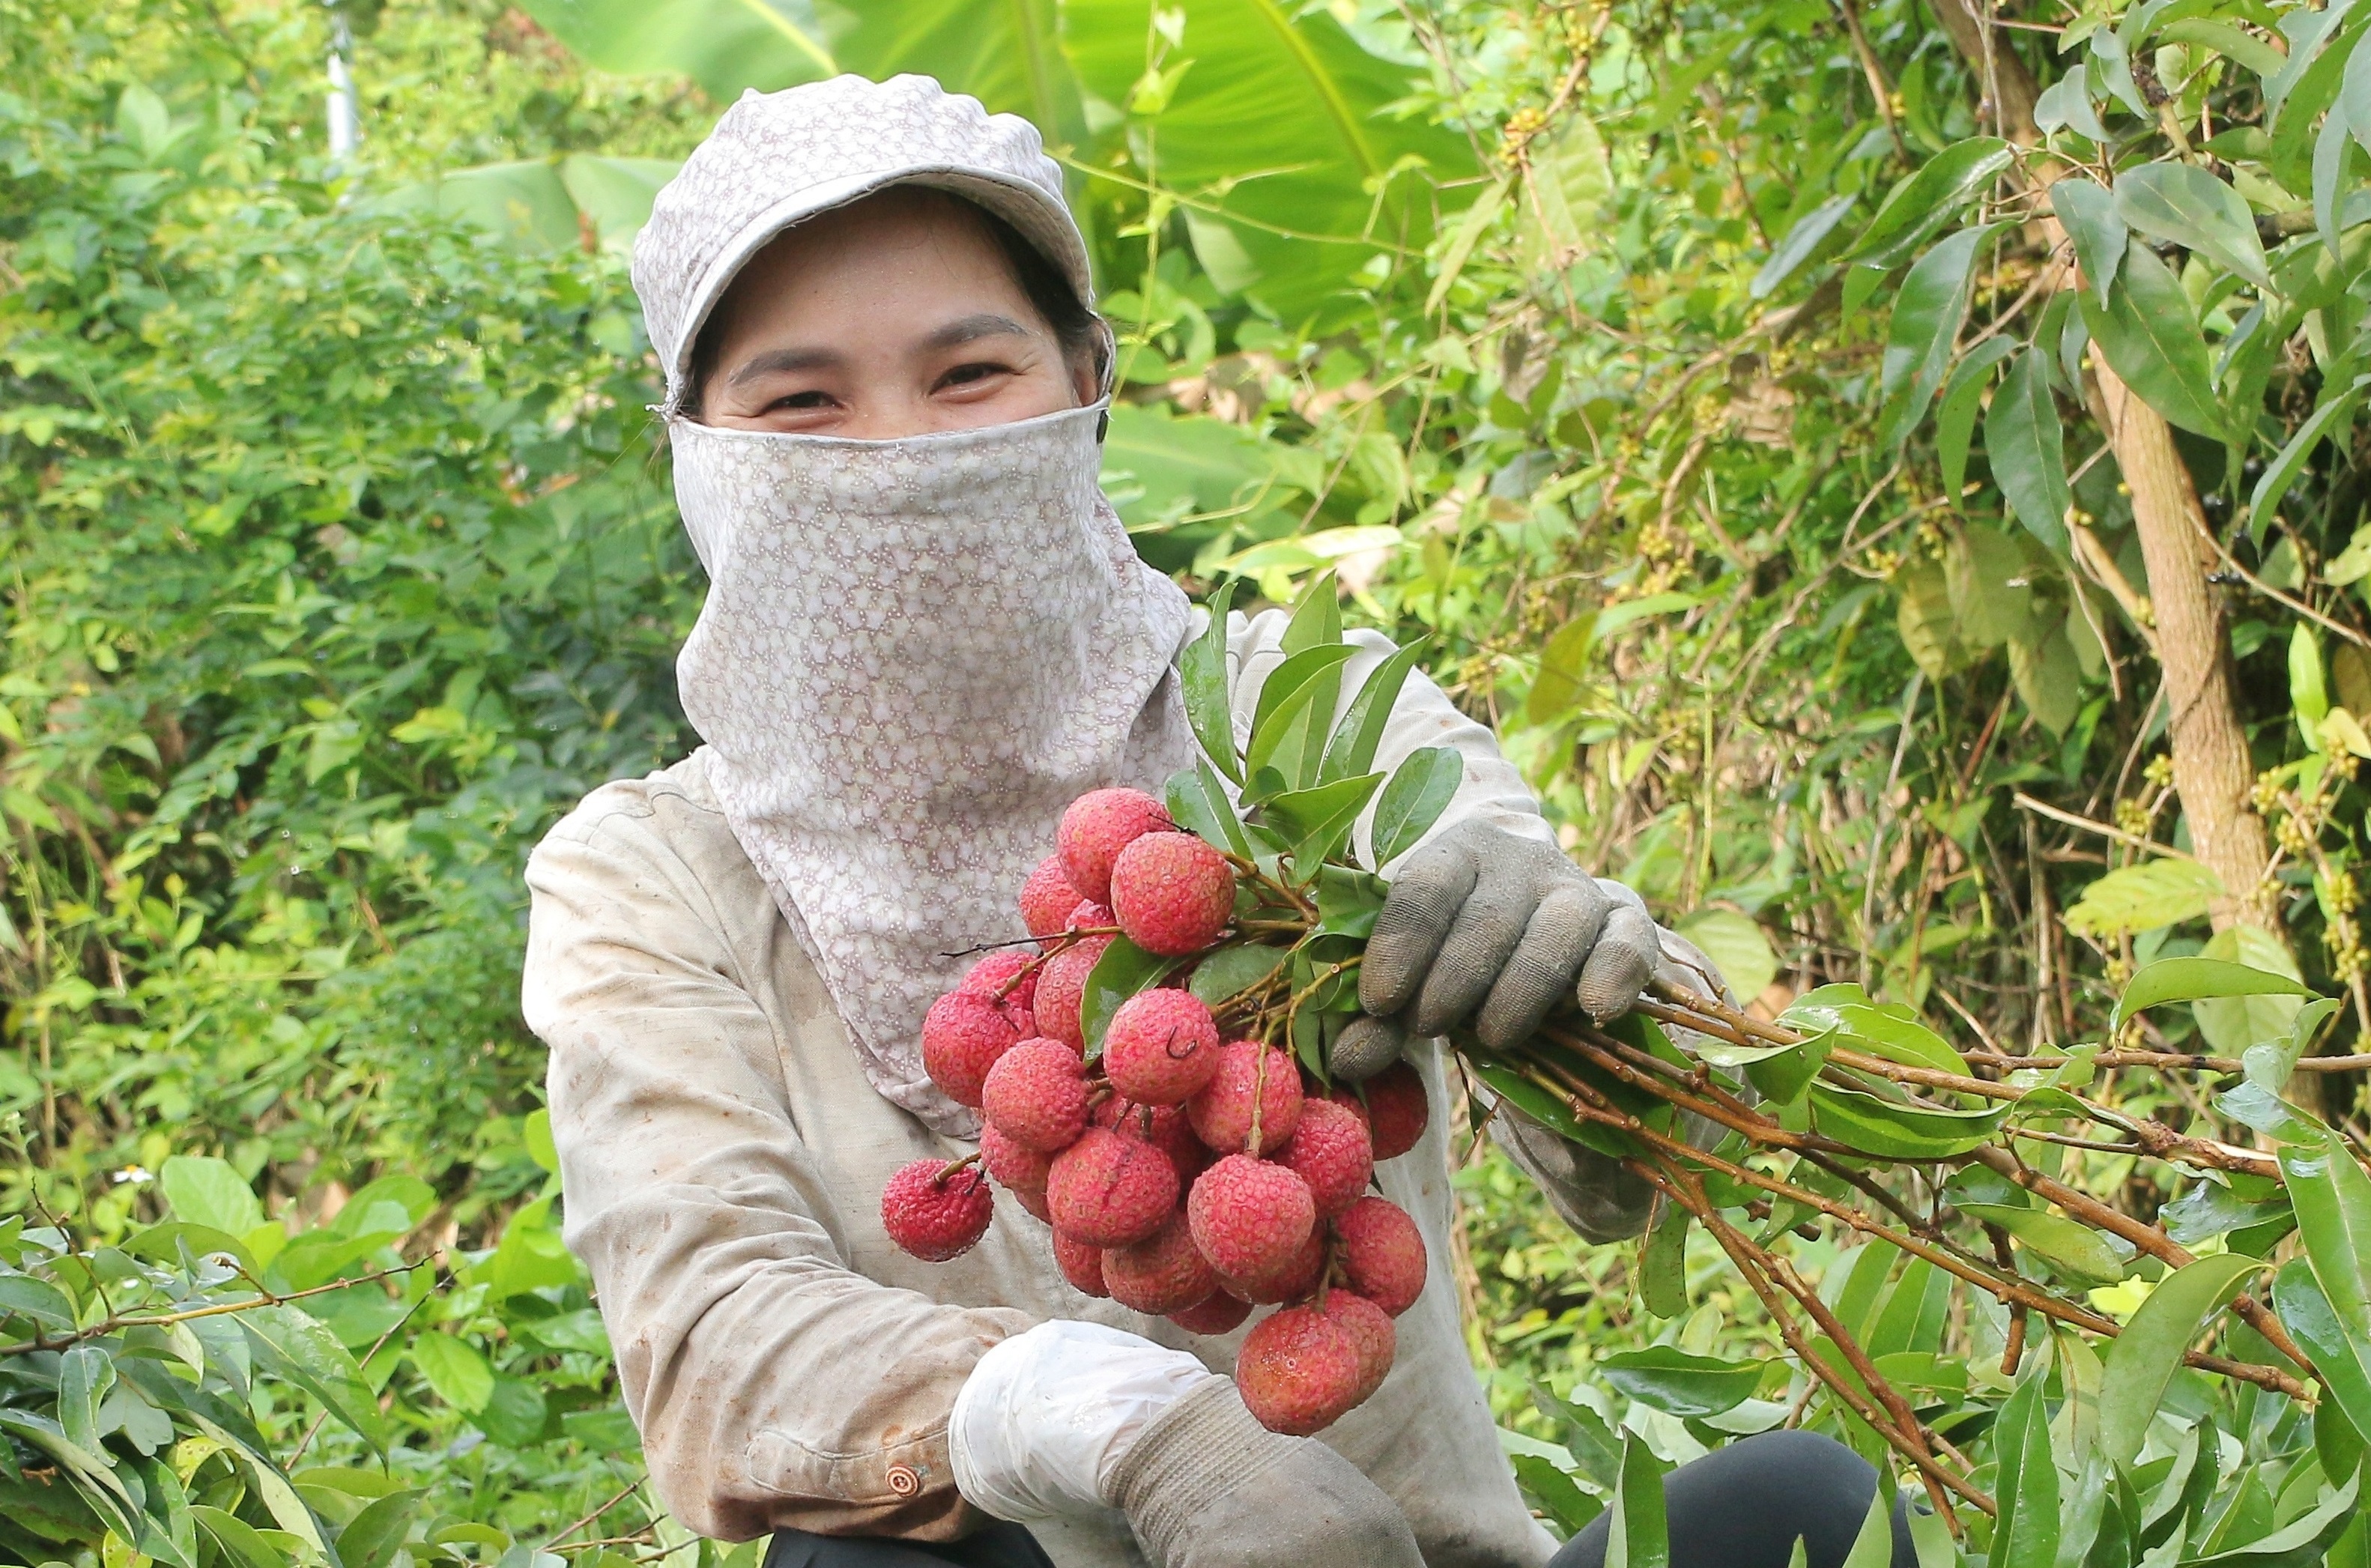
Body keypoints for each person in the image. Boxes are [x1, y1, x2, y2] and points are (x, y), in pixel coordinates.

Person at [521, 73, 1912, 1568]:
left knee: (1798, 1517)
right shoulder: (649, 876)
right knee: (860, 1558)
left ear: (1085, 383)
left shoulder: (1289, 714)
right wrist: (1130, 1435)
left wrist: (1574, 992)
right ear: (700, 450)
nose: (894, 448)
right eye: (803, 401)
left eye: (968, 374)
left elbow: (1630, 1168)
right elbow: (714, 1342)